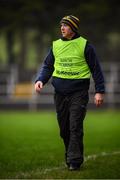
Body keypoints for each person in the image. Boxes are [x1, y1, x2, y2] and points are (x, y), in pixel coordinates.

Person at [34, 15, 105, 171]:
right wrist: (41, 80)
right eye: (61, 26)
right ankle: (71, 154)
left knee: (75, 126)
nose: (62, 28)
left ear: (73, 28)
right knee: (64, 129)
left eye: (65, 26)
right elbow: (47, 66)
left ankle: (75, 161)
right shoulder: (55, 46)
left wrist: (99, 91)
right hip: (59, 93)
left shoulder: (85, 45)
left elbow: (96, 69)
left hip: (78, 93)